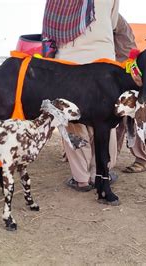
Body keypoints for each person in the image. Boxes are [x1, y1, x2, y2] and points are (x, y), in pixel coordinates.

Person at [42, 0, 119, 192]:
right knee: (105, 121)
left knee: (73, 122)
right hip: (104, 61)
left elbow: (49, 30)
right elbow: (114, 22)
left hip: (68, 64)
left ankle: (81, 178)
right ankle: (102, 172)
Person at [114, 14, 146, 174]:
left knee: (132, 122)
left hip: (129, 76)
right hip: (121, 76)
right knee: (117, 122)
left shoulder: (112, 19)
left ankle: (143, 159)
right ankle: (111, 158)